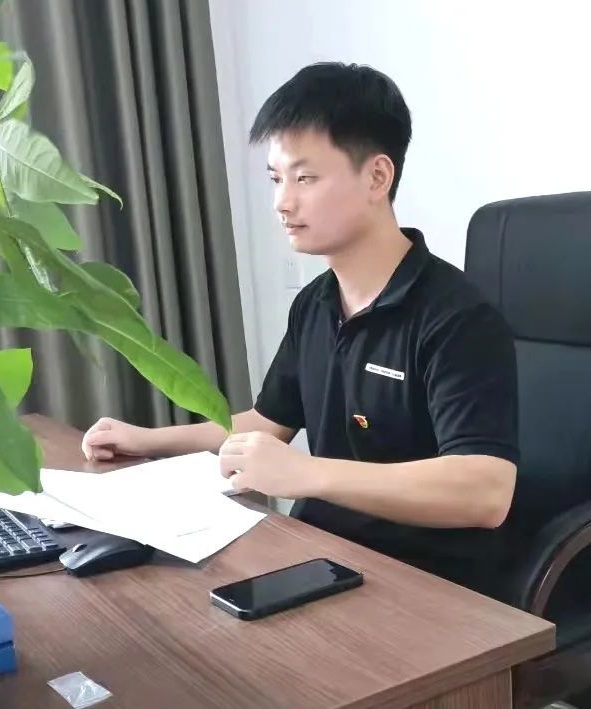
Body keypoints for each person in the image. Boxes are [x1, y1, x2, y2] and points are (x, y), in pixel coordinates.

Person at [82, 62, 519, 591]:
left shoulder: (456, 317)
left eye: (305, 178)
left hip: (427, 581)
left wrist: (307, 473)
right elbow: (266, 424)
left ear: (377, 177)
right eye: (276, 179)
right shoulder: (315, 304)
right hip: (323, 554)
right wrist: (148, 441)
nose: (282, 202)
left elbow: (486, 492)